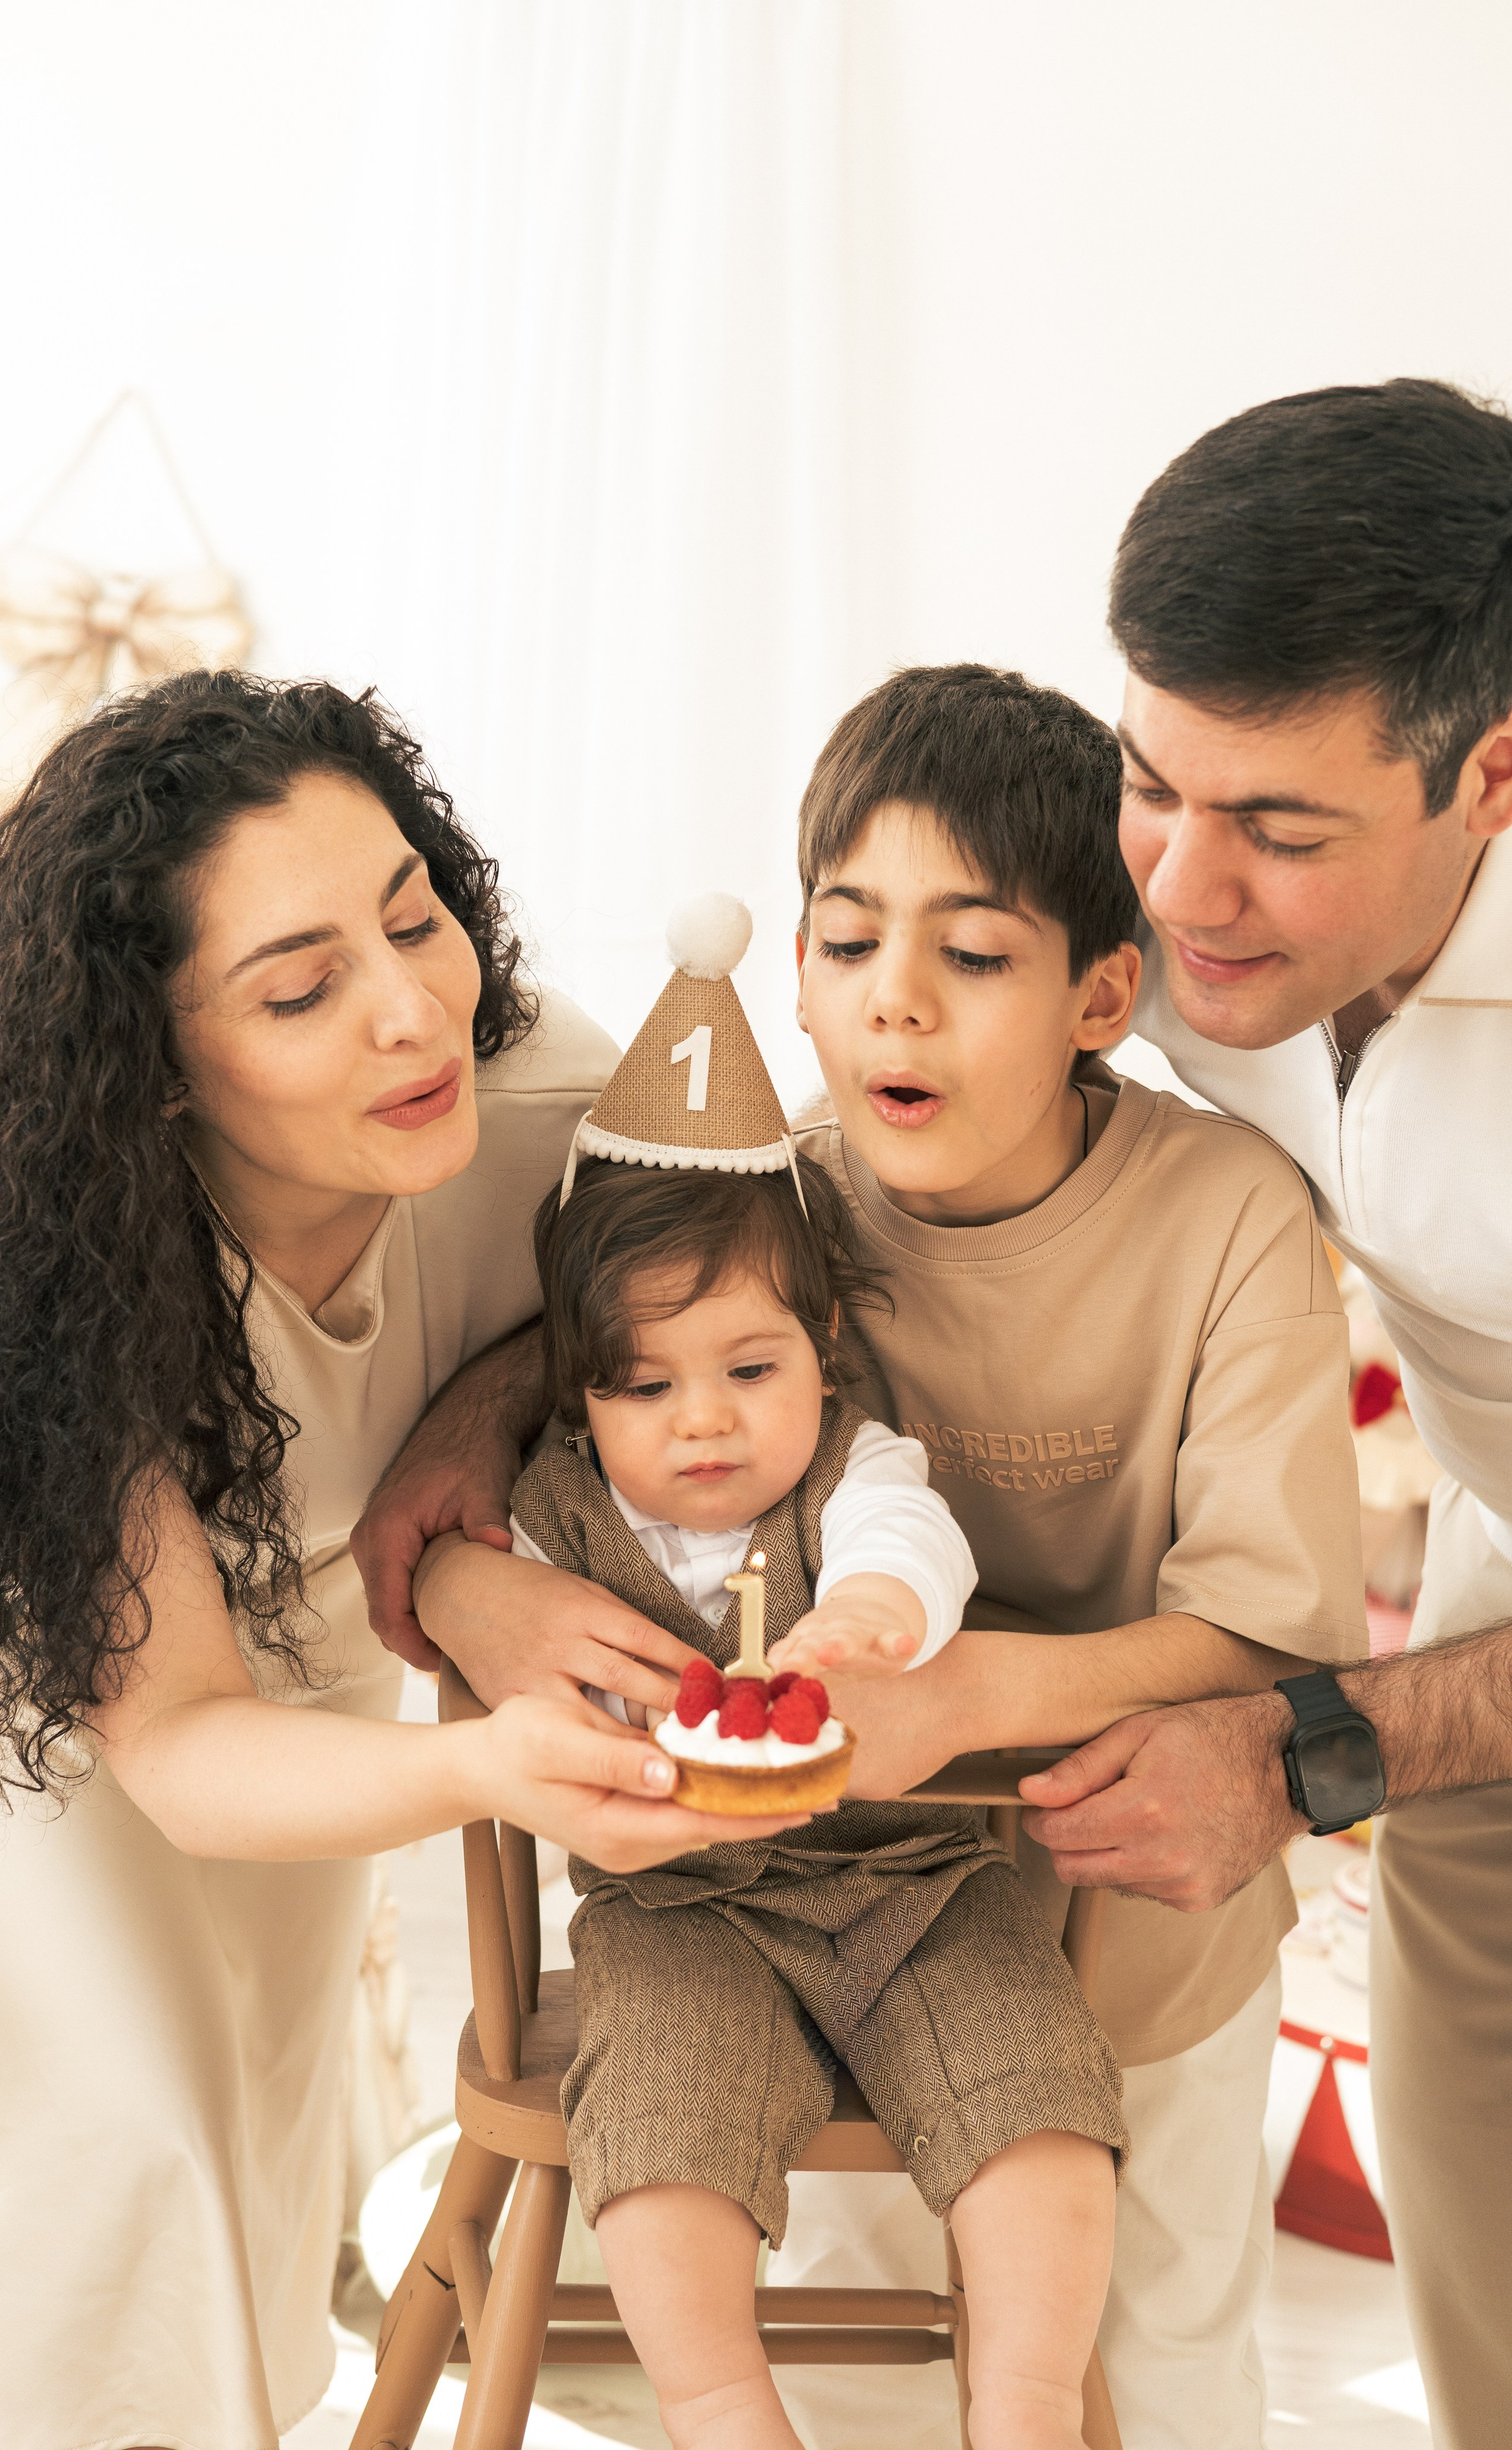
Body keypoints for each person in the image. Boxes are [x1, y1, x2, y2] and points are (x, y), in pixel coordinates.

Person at [355, 665, 1370, 2450]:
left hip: (1139, 1929)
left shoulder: (1229, 1225)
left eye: (973, 958)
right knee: (849, 2348)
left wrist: (965, 1693)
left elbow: (1271, 1639)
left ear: (1102, 997)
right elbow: (596, 1385)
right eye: (844, 943)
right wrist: (467, 1577)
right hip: (787, 1924)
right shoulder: (770, 1206)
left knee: (1165, 2364)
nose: (894, 1004)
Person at [0, 672, 792, 2450]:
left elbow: (762, 1280)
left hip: (300, 1619)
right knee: (114, 2135)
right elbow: (179, 1743)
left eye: (414, 917)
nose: (411, 1013)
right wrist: (480, 1758)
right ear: (145, 1068)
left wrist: (482, 1413)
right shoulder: (61, 1270)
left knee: (258, 2104)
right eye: (302, 990)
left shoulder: (547, 1112)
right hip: (28, 1652)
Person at [1016, 377, 1512, 2450]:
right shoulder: (1177, 900)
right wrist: (498, 1389)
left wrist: (1317, 1743)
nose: (1185, 889)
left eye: (1282, 832)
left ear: (1494, 774)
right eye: (1157, 786)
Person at [510, 904, 1124, 2450]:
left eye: (748, 1369)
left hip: (911, 1877)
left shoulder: (858, 1466)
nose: (701, 1421)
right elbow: (520, 1679)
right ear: (577, 1396)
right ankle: (725, 2412)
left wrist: (863, 1619)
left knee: (1033, 2091)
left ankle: (1029, 2401)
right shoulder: (552, 1514)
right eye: (641, 1385)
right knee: (654, 2132)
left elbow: (910, 1543)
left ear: (824, 1345)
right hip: (677, 1905)